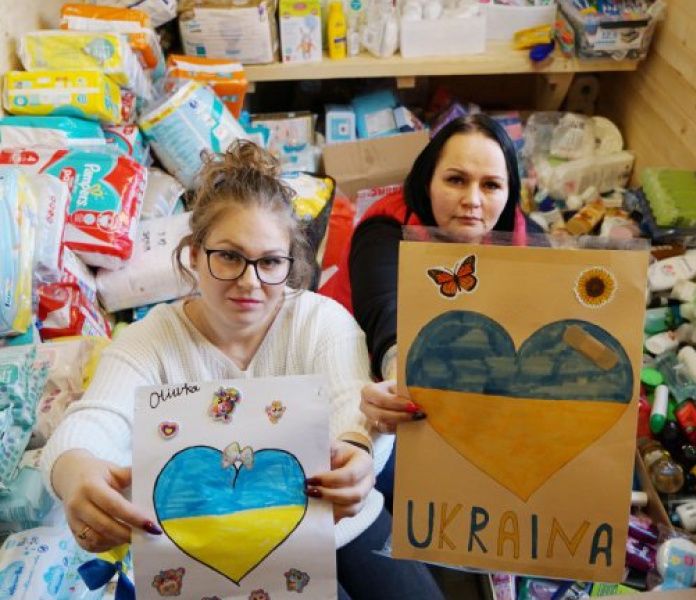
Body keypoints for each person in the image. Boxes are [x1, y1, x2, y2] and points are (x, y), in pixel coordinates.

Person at [41, 140, 445, 600]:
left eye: (271, 261)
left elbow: (349, 406)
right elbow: (95, 420)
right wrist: (76, 473)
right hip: (215, 557)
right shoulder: (149, 342)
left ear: (290, 264)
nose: (250, 281)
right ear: (194, 255)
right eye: (229, 256)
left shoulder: (319, 320)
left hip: (344, 523)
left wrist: (356, 454)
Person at [320, 114, 536, 504]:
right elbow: (386, 311)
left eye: (491, 185)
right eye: (456, 180)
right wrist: (404, 376)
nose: (473, 200)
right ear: (427, 180)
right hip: (370, 375)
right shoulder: (384, 231)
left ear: (509, 192)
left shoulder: (524, 237)